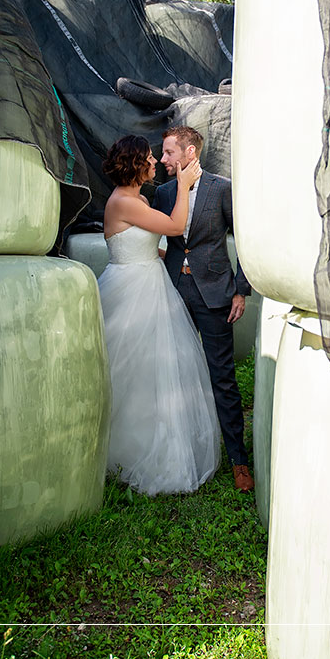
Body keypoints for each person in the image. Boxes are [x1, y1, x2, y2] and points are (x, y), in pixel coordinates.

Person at [97, 134, 221, 495]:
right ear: (136, 164)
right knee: (135, 374)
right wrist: (183, 185)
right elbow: (174, 227)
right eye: (150, 158)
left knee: (154, 373)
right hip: (132, 290)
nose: (155, 163)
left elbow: (146, 240)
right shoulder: (123, 201)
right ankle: (130, 451)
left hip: (150, 280)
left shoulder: (135, 199)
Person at [153, 126, 255, 493]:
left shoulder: (222, 188)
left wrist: (241, 291)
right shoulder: (163, 193)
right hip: (174, 292)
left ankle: (239, 461)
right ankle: (182, 453)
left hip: (215, 295)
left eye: (168, 153)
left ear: (190, 151)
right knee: (174, 376)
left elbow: (244, 239)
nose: (163, 160)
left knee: (222, 378)